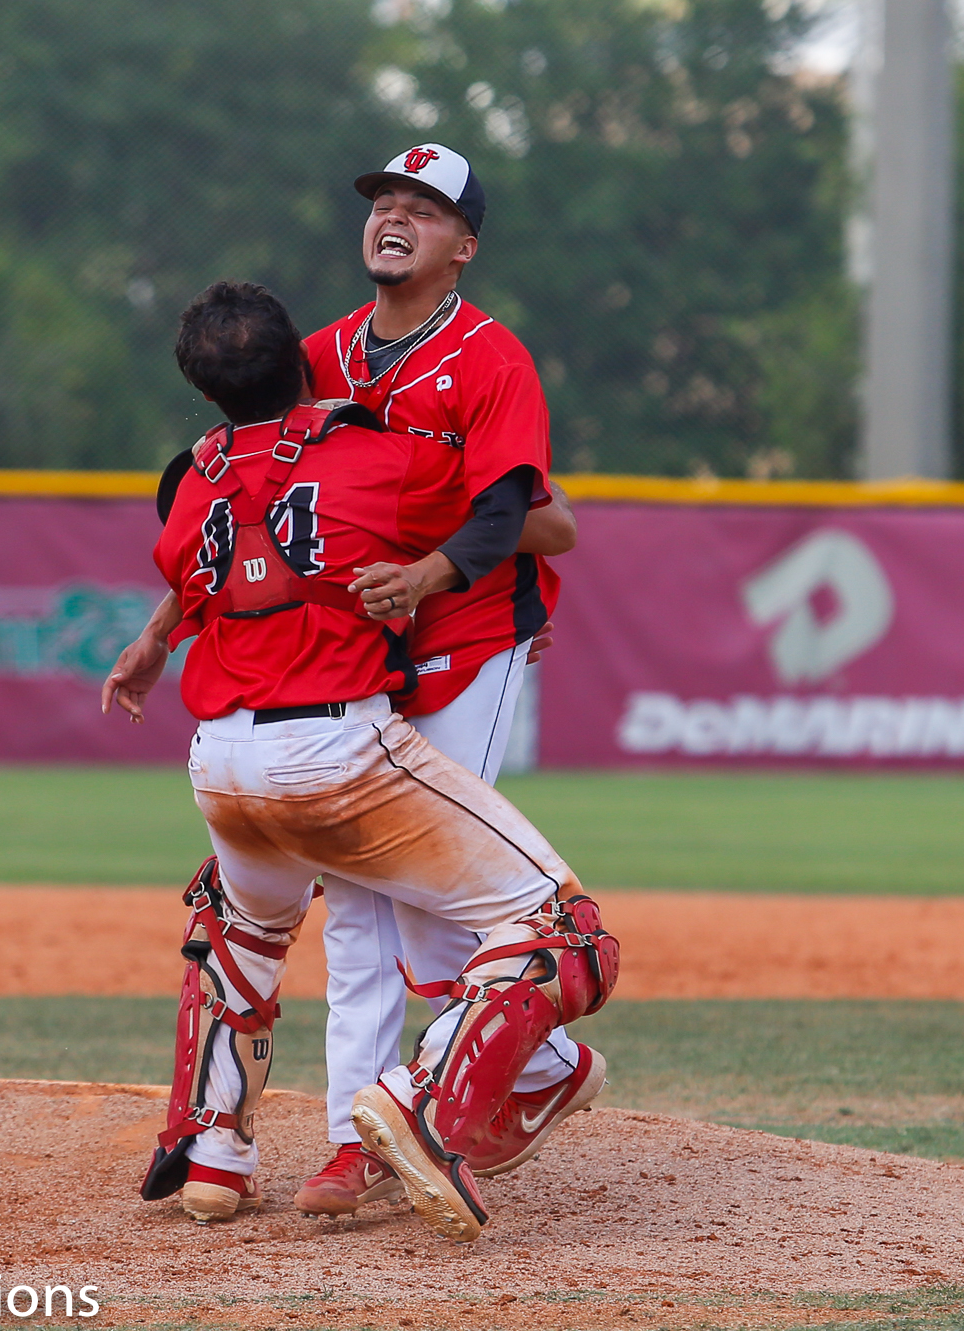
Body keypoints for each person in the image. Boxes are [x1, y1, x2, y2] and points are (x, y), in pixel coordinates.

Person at [104, 281, 617, 1241]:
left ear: (203, 391)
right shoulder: (374, 457)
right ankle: (420, 1100)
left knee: (241, 925)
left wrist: (154, 639)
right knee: (565, 932)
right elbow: (521, 519)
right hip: (335, 747)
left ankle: (212, 1151)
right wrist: (494, 589)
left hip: (220, 762)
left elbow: (210, 572)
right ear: (304, 365)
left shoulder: (195, 476)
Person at [292, 143, 599, 1216]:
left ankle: (496, 1079)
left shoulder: (490, 358)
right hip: (358, 652)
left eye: (422, 208)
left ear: (462, 245)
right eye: (383, 199)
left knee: (431, 889)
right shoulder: (319, 356)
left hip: (464, 634)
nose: (394, 216)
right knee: (356, 898)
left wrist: (427, 572)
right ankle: (357, 1135)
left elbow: (523, 512)